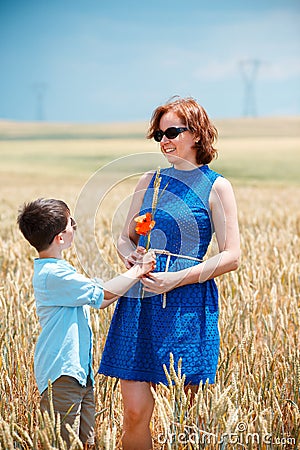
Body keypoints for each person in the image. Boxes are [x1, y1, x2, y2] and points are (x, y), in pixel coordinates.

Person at [99, 96, 240, 450]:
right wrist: (132, 258)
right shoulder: (150, 180)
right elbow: (124, 238)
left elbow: (232, 256)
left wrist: (176, 278)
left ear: (197, 134)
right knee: (133, 412)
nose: (164, 140)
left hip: (189, 303)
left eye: (173, 131)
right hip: (140, 301)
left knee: (188, 417)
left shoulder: (216, 186)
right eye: (159, 134)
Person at [17, 198, 156, 449]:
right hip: (62, 373)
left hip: (78, 372)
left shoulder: (59, 269)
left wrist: (133, 266)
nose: (75, 226)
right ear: (61, 237)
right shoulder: (54, 274)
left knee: (85, 442)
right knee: (62, 442)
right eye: (72, 224)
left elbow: (102, 288)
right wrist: (138, 272)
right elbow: (103, 296)